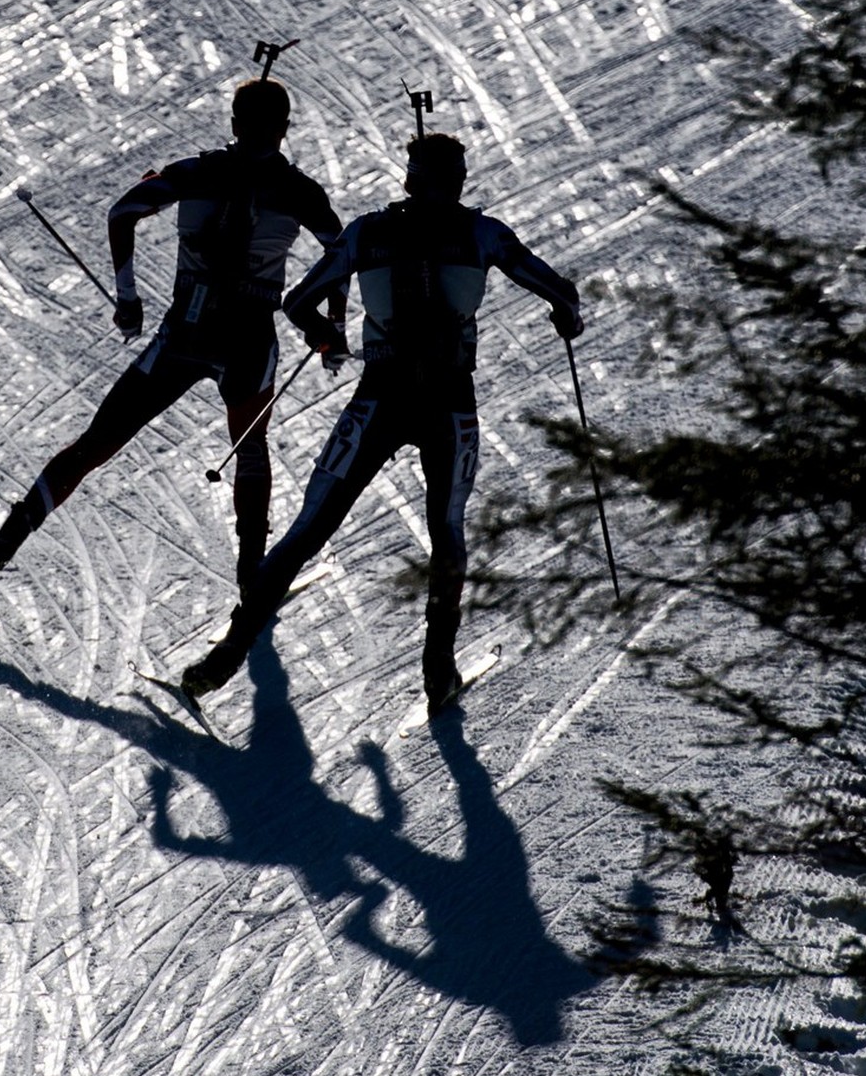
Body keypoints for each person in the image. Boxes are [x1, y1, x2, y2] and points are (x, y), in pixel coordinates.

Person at [181, 132, 583, 712]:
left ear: (408, 180)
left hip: (379, 396)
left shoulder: (367, 233)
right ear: (460, 181)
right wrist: (565, 319)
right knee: (446, 527)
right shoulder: (483, 233)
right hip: (450, 402)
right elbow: (558, 291)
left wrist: (326, 337)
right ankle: (437, 671)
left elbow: (298, 302)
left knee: (309, 527)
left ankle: (225, 659)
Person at [0, 78, 345, 598]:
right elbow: (341, 255)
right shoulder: (302, 192)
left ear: (233, 124)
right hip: (248, 339)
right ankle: (252, 579)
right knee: (249, 450)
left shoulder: (195, 171)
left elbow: (122, 212)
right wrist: (331, 330)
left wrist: (128, 298)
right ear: (284, 132)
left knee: (94, 445)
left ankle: (0, 547)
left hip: (185, 332)